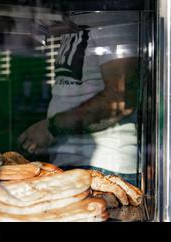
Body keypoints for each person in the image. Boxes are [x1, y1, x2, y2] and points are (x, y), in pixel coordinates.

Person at [17, 12, 139, 185]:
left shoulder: (111, 16)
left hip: (106, 167)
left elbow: (121, 98)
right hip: (72, 164)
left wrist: (52, 128)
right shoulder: (77, 18)